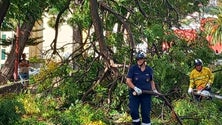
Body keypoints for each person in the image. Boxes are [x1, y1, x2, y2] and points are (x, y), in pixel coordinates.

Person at [126, 51, 159, 125]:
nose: (139, 60)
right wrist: (135, 88)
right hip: (135, 94)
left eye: (140, 59)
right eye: (137, 59)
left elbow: (151, 81)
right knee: (133, 111)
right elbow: (128, 81)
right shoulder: (133, 69)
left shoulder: (149, 70)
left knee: (146, 113)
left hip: (146, 94)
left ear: (144, 60)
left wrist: (154, 90)